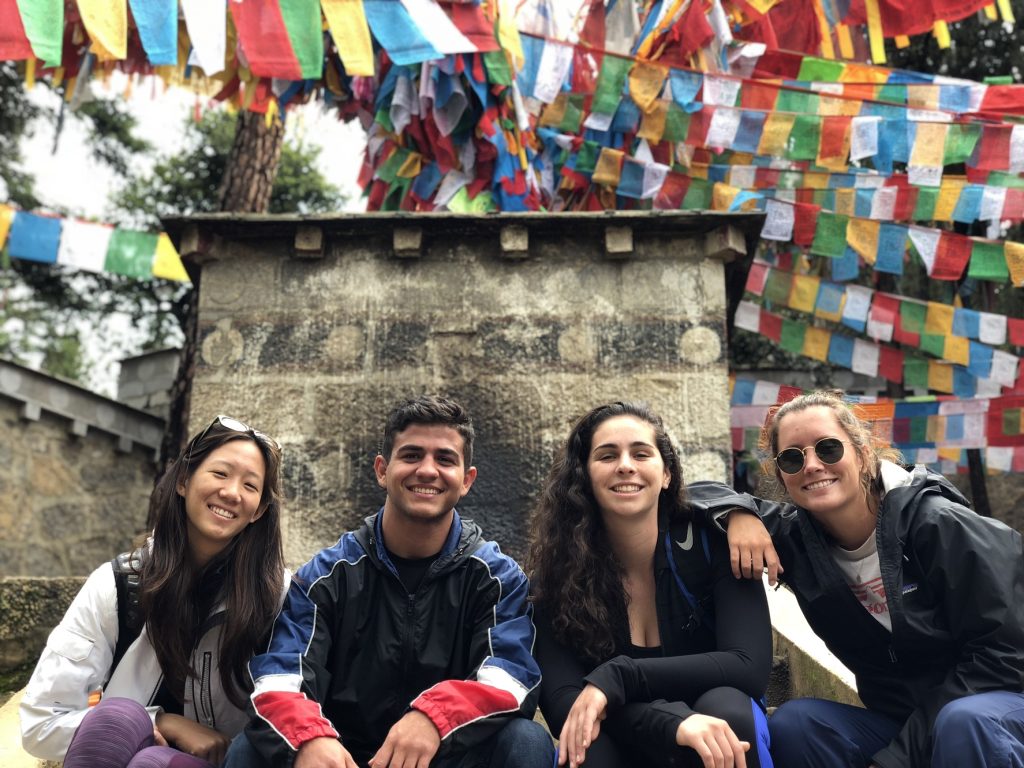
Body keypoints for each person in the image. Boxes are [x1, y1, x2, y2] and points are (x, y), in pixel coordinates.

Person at [693, 390, 1024, 768]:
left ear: (864, 453)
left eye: (829, 448)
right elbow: (683, 494)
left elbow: (1007, 657)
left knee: (964, 721)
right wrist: (738, 512)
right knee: (797, 724)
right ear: (782, 477)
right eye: (792, 457)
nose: (813, 465)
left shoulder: (941, 526)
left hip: (997, 708)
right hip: (905, 721)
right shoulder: (797, 542)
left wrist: (897, 758)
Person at [223, 395, 553, 768]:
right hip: (342, 759)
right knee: (249, 748)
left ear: (467, 480)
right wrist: (308, 738)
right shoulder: (327, 575)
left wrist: (434, 717)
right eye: (412, 455)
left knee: (526, 740)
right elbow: (279, 678)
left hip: (443, 756)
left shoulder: (498, 578)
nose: (427, 470)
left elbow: (513, 678)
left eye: (445, 459)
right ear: (382, 470)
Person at [21, 415, 288, 768]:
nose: (231, 493)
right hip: (116, 753)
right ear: (182, 481)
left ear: (259, 511)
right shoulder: (118, 585)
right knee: (119, 722)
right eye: (220, 474)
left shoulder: (277, 598)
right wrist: (160, 722)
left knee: (153, 762)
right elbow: (41, 724)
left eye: (250, 486)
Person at [528, 402, 774, 768]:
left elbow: (748, 667)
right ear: (585, 476)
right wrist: (672, 724)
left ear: (666, 474)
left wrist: (620, 675)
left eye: (641, 453)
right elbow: (566, 704)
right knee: (583, 748)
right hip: (627, 736)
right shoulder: (554, 576)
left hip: (714, 729)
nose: (625, 465)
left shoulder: (714, 543)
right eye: (607, 455)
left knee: (726, 710)